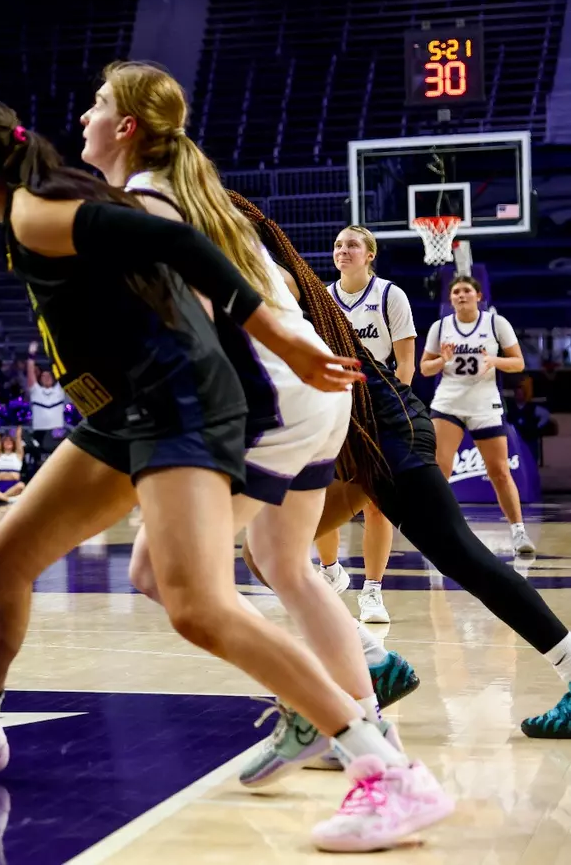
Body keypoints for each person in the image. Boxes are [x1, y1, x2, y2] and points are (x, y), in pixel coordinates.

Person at [0, 97, 450, 854]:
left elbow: (170, 241)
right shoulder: (44, 203)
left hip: (175, 401)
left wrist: (279, 332)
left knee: (197, 605)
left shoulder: (33, 214)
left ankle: (386, 767)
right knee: (4, 557)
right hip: (120, 407)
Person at [82, 61, 393, 787]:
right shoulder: (198, 191)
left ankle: (322, 718)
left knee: (160, 573)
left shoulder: (140, 205)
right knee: (287, 564)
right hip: (319, 393)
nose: (84, 117)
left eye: (97, 105)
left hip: (277, 397)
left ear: (127, 127)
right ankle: (368, 720)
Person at [232, 195, 571, 741]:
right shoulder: (264, 284)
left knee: (463, 556)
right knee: (269, 553)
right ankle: (372, 660)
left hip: (387, 430)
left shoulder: (274, 284)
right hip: (354, 439)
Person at [322, 225, 416, 622]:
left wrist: (395, 408)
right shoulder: (322, 298)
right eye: (339, 245)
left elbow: (406, 362)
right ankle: (330, 573)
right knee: (317, 498)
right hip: (331, 408)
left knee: (377, 505)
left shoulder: (390, 295)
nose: (344, 251)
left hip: (378, 408)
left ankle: (373, 592)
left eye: (353, 245)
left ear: (370, 254)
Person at [421, 275, 528, 552]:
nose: (461, 295)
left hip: (484, 404)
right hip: (448, 404)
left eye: (467, 290)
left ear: (478, 296)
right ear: (451, 298)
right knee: (439, 470)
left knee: (499, 472)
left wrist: (493, 360)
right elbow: (424, 368)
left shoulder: (495, 323)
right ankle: (438, 530)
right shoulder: (440, 326)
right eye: (456, 291)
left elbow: (518, 363)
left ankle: (518, 532)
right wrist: (442, 360)